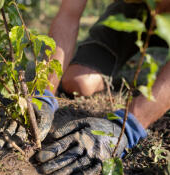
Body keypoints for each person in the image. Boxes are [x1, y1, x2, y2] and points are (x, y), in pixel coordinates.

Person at [33, 0, 170, 174]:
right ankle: (126, 63)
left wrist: (128, 125)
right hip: (132, 12)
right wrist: (44, 92)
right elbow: (68, 15)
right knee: (78, 83)